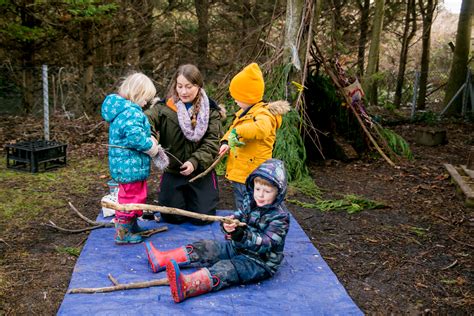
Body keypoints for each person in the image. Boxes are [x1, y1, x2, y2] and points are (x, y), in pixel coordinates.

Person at [144, 158, 290, 303]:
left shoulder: (280, 217)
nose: (260, 195)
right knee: (206, 246)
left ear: (278, 193)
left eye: (267, 191)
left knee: (226, 269)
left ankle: (187, 285)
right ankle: (163, 259)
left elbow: (267, 243)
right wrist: (228, 226)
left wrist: (241, 235)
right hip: (237, 247)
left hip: (259, 262)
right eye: (258, 189)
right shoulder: (250, 201)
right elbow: (238, 217)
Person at [145, 64, 223, 225]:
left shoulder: (211, 111)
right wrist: (151, 136)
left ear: (199, 85)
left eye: (189, 86)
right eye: (179, 86)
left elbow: (212, 142)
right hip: (174, 170)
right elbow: (146, 120)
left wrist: (195, 162)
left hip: (201, 172)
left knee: (202, 219)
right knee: (172, 217)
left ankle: (199, 198)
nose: (183, 92)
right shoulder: (164, 107)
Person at [218, 63, 290, 210]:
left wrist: (238, 132)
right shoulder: (243, 114)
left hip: (254, 175)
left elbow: (261, 130)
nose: (235, 100)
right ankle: (244, 227)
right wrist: (225, 141)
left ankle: (262, 227)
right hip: (240, 172)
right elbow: (233, 129)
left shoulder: (263, 114)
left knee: (257, 205)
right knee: (242, 205)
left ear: (248, 96)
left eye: (237, 97)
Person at [101, 72, 161, 244]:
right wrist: (151, 147)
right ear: (137, 94)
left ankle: (131, 225)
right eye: (145, 99)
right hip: (130, 166)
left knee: (134, 195)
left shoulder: (122, 111)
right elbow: (135, 138)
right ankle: (123, 233)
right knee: (130, 198)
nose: (146, 103)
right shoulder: (131, 113)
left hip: (127, 165)